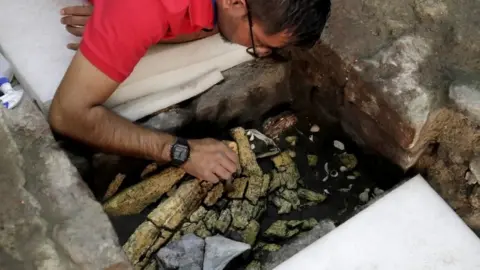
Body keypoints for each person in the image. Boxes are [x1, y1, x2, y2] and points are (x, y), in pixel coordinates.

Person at [48, 0, 331, 183]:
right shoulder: (142, 9)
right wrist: (178, 150)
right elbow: (67, 113)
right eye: (259, 44)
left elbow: (208, 23)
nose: (264, 54)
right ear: (234, 2)